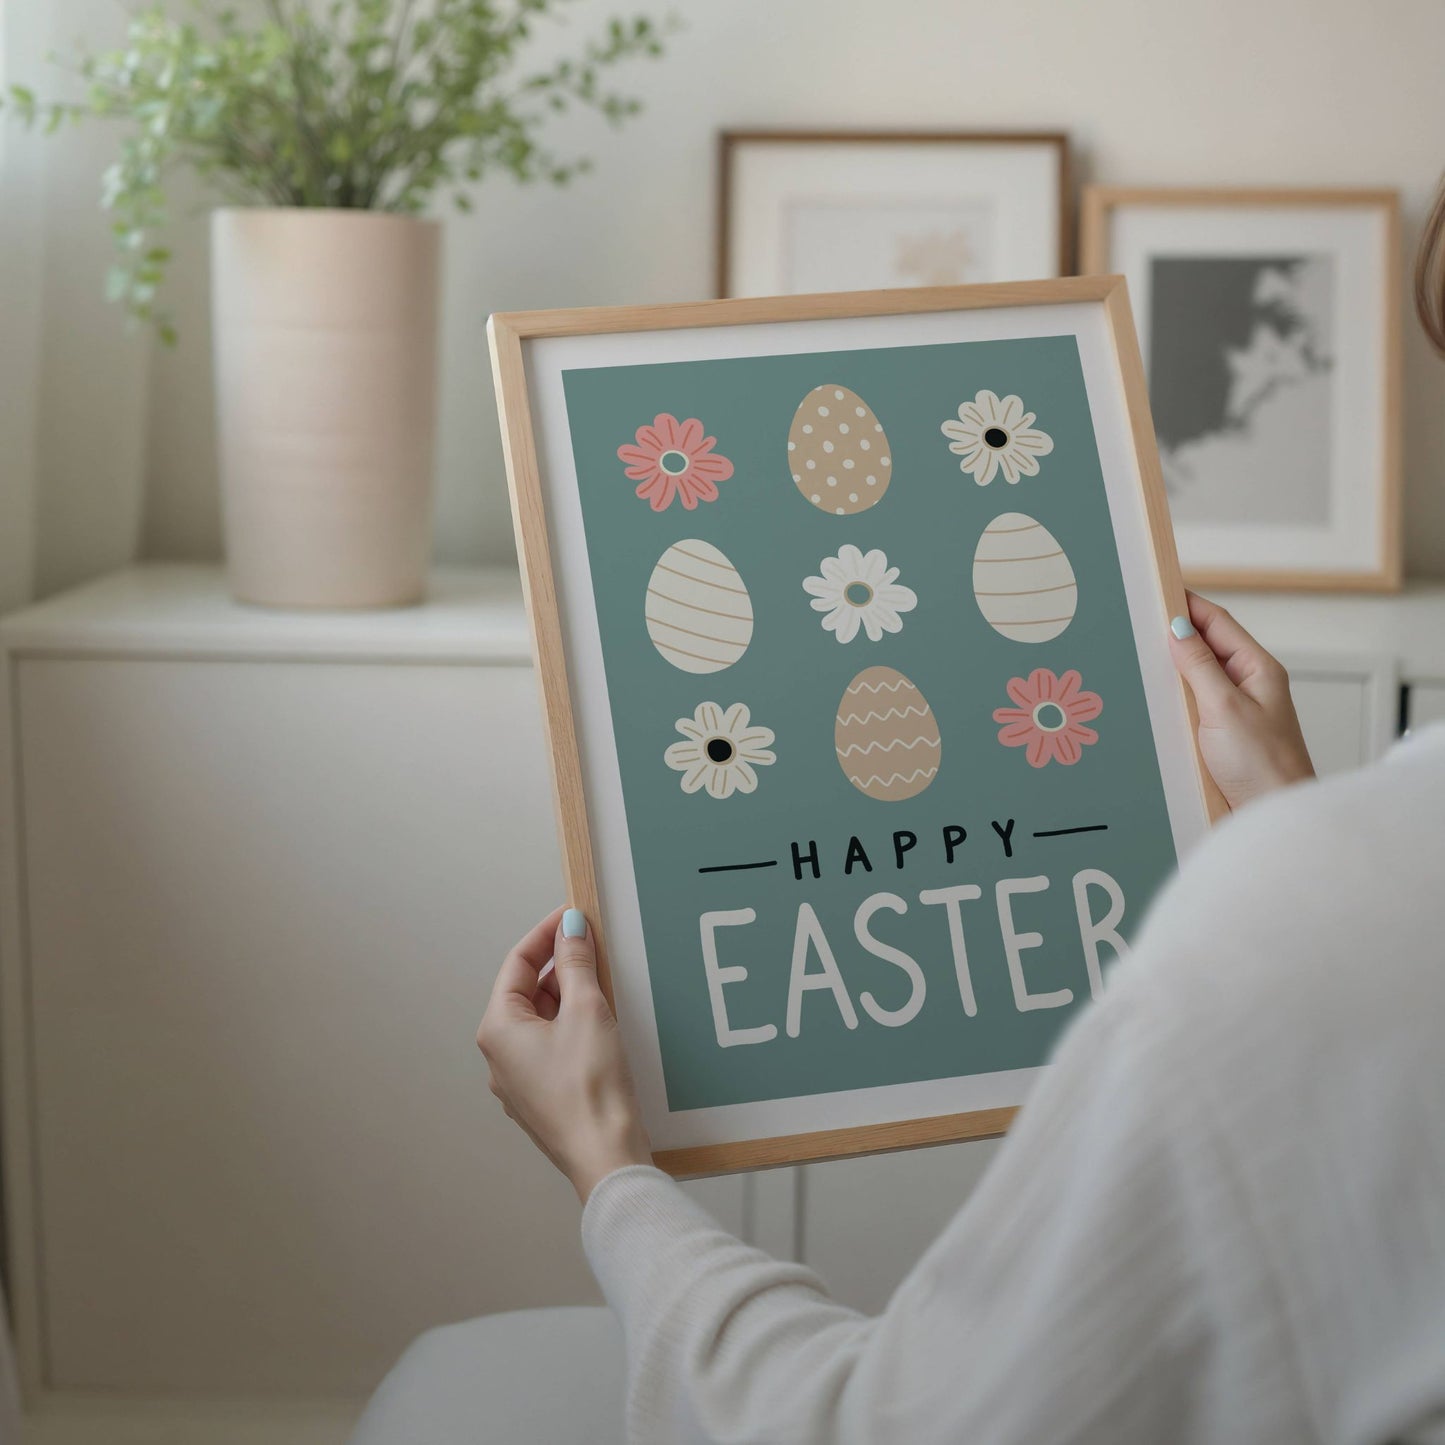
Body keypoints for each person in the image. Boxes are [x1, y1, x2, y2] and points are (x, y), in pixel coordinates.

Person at [478, 585, 1445, 1445]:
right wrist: (1296, 828)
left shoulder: (1242, 977)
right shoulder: (1338, 900)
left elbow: (868, 1429)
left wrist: (606, 1162)